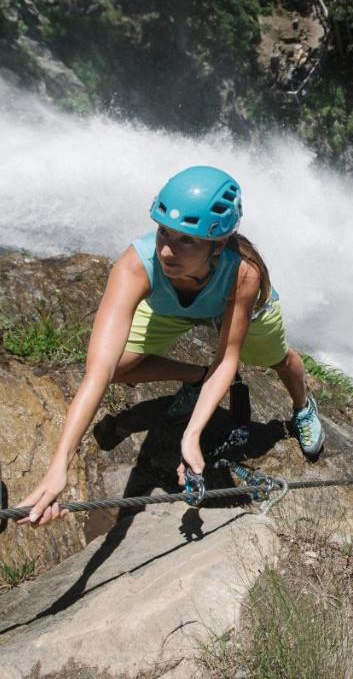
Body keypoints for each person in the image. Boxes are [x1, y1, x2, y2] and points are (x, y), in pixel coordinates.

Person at [20, 166, 323, 525]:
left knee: (277, 359)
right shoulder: (135, 265)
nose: (166, 251)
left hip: (239, 309)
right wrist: (59, 466)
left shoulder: (244, 272)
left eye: (187, 241)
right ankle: (196, 378)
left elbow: (228, 357)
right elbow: (97, 372)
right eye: (163, 232)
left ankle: (304, 407)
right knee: (116, 367)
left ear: (218, 243)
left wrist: (191, 436)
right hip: (173, 306)